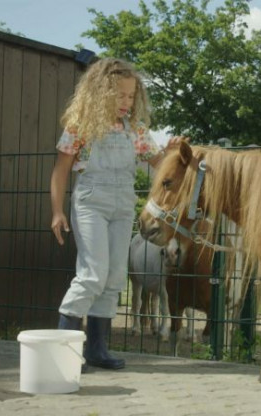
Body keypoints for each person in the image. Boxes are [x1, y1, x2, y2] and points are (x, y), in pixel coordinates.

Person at [50, 57, 168, 370]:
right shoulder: (81, 127)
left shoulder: (136, 131)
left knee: (115, 275)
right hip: (91, 203)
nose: (126, 102)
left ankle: (96, 350)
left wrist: (174, 152)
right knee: (92, 274)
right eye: (119, 96)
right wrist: (57, 211)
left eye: (131, 96)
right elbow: (60, 171)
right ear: (100, 93)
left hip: (123, 206)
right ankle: (63, 351)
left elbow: (161, 163)